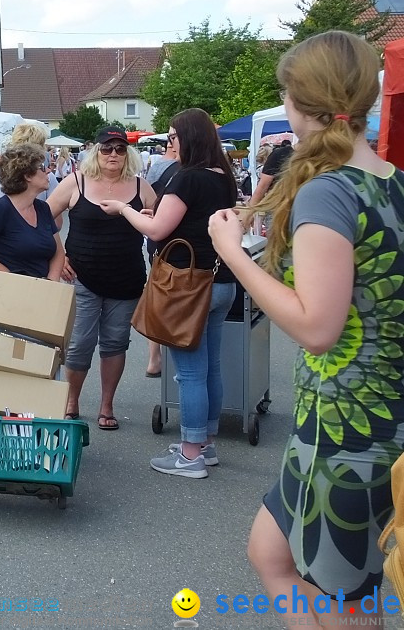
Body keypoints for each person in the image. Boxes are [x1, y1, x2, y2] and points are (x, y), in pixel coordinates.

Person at [207, 31, 404, 618]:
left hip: (344, 433)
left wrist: (233, 250)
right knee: (269, 553)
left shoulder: (329, 193)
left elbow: (317, 327)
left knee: (340, 600)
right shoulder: (390, 181)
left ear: (298, 101)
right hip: (373, 419)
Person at [100, 108, 237, 479]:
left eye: (172, 137)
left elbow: (158, 230)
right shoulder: (222, 176)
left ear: (187, 139)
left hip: (186, 285)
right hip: (220, 281)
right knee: (211, 368)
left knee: (190, 373)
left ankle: (190, 454)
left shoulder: (187, 179)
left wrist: (125, 211)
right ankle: (205, 444)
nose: (169, 143)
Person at [49, 127, 154, 430]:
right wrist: (59, 255)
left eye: (120, 149)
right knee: (80, 343)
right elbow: (44, 218)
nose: (113, 155)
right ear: (95, 150)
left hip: (127, 279)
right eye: (107, 148)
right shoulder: (75, 183)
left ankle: (107, 405)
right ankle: (71, 400)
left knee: (115, 343)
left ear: (127, 153)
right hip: (83, 277)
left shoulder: (141, 187)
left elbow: (160, 225)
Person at [0, 143, 64, 281]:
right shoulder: (0, 209)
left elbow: (58, 252)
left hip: (42, 293)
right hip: (11, 294)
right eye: (41, 167)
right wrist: (10, 277)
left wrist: (51, 282)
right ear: (27, 175)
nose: (48, 170)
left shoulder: (43, 208)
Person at [143, 137, 180, 377]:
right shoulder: (217, 168)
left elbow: (152, 198)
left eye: (173, 137)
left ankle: (155, 358)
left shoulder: (161, 167)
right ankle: (156, 358)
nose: (170, 142)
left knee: (157, 299)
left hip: (163, 242)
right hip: (169, 243)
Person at [249, 138, 293, 205]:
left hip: (273, 201)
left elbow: (262, 186)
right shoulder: (280, 155)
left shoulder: (277, 155)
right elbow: (263, 186)